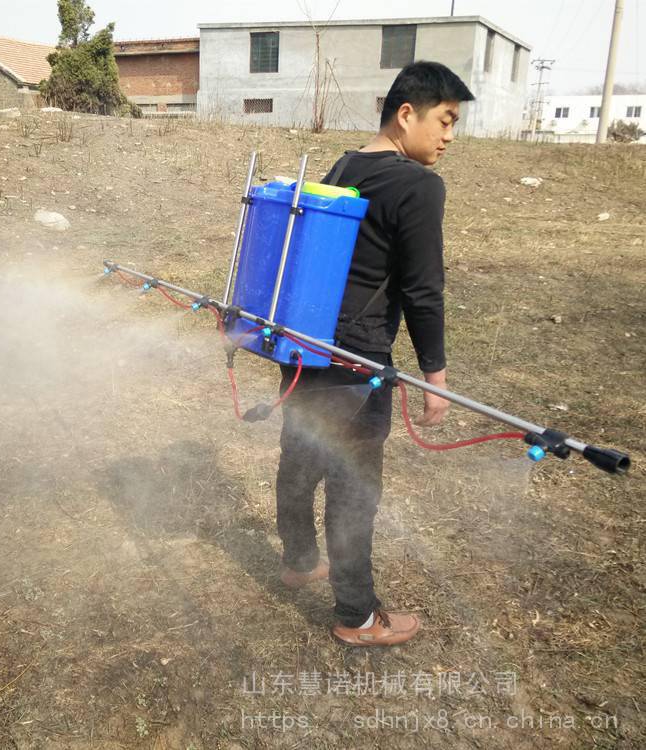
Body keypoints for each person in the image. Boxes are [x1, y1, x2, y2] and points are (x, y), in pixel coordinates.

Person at [275, 61, 475, 647]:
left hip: (302, 346)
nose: (449, 136)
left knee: (300, 456)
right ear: (406, 114)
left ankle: (297, 559)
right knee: (354, 486)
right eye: (445, 120)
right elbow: (422, 288)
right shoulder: (418, 185)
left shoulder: (343, 167)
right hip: (355, 361)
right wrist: (434, 372)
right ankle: (357, 616)